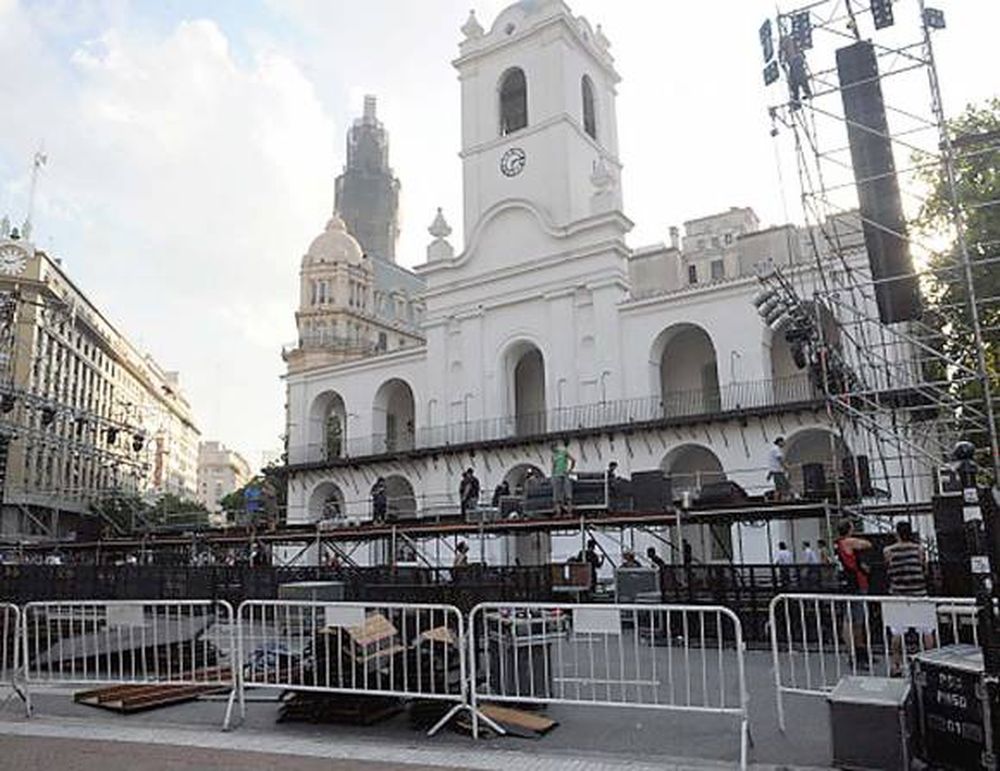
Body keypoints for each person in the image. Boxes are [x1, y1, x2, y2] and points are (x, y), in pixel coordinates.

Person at [884, 520, 935, 675]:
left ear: (897, 533)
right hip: (919, 593)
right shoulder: (919, 549)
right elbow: (924, 569)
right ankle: (930, 665)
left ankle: (896, 665)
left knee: (897, 632)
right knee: (926, 630)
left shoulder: (888, 551)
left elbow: (888, 569)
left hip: (898, 594)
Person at [835, 519, 873, 668]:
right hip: (855, 584)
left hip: (849, 583)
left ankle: (860, 651)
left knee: (856, 620)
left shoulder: (838, 544)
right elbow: (867, 544)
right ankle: (855, 654)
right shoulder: (847, 542)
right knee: (854, 620)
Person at [779, 31, 812, 110]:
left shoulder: (788, 40)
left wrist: (783, 62)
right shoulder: (790, 41)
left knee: (799, 78)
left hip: (795, 60)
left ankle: (806, 94)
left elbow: (783, 54)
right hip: (794, 61)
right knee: (794, 82)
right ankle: (798, 101)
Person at [551, 442, 576, 516]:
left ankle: (569, 511)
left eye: (554, 447)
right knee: (556, 494)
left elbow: (573, 460)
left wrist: (570, 470)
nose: (553, 449)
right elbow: (553, 466)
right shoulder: (553, 456)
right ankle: (558, 512)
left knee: (568, 493)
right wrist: (552, 476)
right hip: (557, 475)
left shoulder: (564, 452)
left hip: (564, 474)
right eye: (552, 449)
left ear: (556, 446)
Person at [767, 437, 791, 501]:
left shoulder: (776, 449)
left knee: (780, 487)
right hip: (777, 472)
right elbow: (780, 460)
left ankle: (778, 500)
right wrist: (786, 467)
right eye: (783, 442)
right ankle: (781, 500)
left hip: (778, 471)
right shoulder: (776, 450)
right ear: (779, 442)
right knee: (782, 487)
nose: (784, 443)